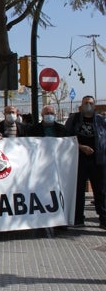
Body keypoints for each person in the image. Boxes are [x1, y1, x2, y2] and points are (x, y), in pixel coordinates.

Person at [64, 95, 106, 228]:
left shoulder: (100, 120)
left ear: (94, 105)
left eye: (91, 103)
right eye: (86, 103)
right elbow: (67, 138)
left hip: (98, 160)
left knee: (100, 190)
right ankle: (78, 218)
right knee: (78, 189)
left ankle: (103, 219)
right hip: (79, 159)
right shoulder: (74, 119)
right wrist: (81, 147)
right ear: (81, 106)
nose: (88, 105)